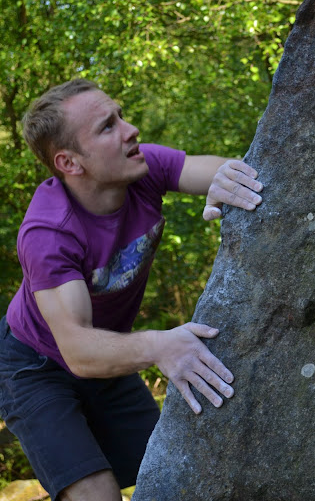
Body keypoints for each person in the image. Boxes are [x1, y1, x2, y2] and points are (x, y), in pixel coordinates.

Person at [0, 79, 263, 501]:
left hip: (108, 353)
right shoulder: (48, 233)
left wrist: (225, 182)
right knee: (97, 494)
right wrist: (159, 346)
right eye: (107, 126)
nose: (131, 130)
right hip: (36, 367)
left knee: (181, 473)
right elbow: (78, 349)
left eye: (120, 116)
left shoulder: (140, 167)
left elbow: (228, 170)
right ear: (69, 162)